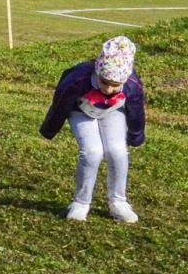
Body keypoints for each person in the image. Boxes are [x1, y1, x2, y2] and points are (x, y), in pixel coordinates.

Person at [40, 36, 146, 223]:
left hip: (113, 111)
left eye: (115, 85)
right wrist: (50, 129)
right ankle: (81, 202)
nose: (109, 89)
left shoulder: (132, 85)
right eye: (104, 82)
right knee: (92, 151)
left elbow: (136, 111)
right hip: (80, 110)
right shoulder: (77, 79)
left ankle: (118, 202)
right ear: (97, 71)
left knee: (117, 150)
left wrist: (136, 136)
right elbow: (60, 104)